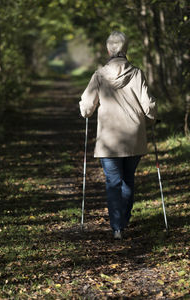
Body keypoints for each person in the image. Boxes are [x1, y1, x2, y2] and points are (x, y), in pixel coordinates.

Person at [79, 31, 157, 240]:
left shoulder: (99, 75)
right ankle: (123, 220)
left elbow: (86, 106)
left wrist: (86, 111)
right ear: (126, 49)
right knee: (128, 179)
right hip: (133, 137)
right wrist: (152, 117)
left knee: (113, 181)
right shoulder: (137, 73)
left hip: (109, 140)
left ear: (108, 50)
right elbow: (148, 105)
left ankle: (116, 227)